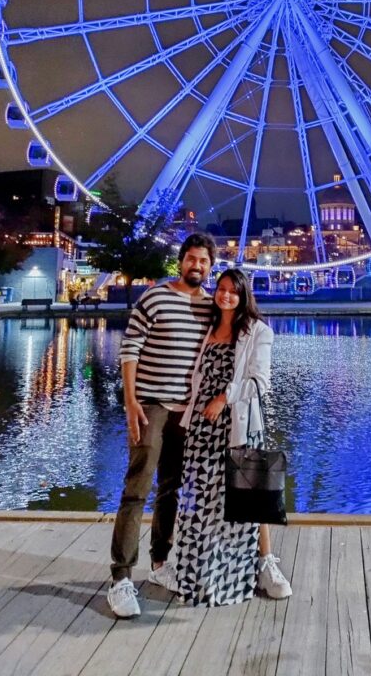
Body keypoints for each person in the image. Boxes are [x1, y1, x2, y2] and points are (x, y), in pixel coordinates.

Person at [160, 267, 292, 606]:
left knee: (247, 501)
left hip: (235, 424)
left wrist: (224, 397)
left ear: (244, 295)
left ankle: (258, 567)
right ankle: (193, 572)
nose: (226, 295)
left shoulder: (257, 332)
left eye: (233, 290)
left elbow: (260, 382)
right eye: (221, 289)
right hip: (202, 427)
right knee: (198, 503)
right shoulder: (206, 329)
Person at [107, 233, 216, 619]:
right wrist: (130, 401)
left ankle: (159, 564)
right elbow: (130, 348)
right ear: (181, 261)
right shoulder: (154, 297)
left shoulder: (211, 306)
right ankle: (121, 577)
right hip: (151, 405)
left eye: (203, 261)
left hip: (185, 413)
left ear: (210, 265)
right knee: (137, 486)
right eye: (191, 259)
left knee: (171, 489)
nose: (197, 266)